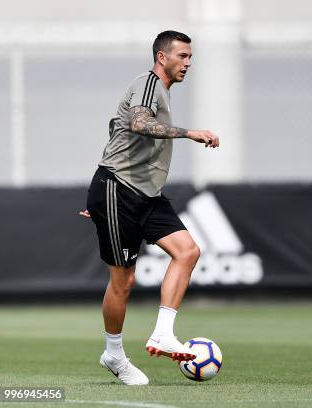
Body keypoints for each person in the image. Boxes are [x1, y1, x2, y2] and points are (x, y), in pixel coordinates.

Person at [80, 30, 220, 385]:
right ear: (162, 57)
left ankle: (162, 333)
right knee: (123, 281)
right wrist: (189, 133)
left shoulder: (162, 93)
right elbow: (138, 123)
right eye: (183, 56)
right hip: (118, 190)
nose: (189, 62)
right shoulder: (148, 83)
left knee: (188, 252)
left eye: (190, 56)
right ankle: (113, 354)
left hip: (146, 195)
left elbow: (117, 128)